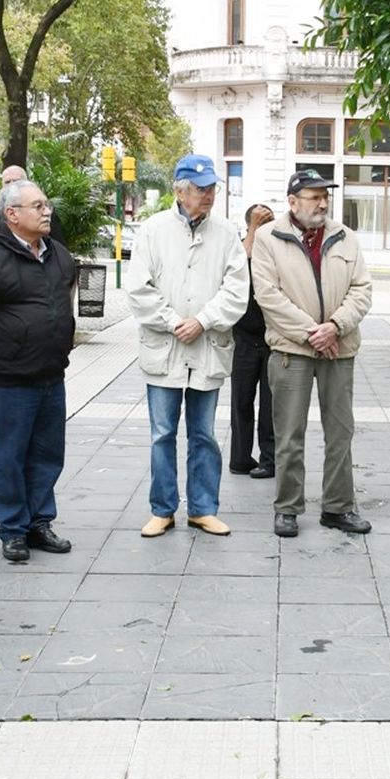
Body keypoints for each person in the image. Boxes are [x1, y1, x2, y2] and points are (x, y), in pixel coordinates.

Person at [127, 155, 249, 538]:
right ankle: (162, 508)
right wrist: (173, 321)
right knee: (162, 433)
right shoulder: (153, 230)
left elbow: (237, 289)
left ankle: (202, 508)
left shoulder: (227, 233)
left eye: (212, 188)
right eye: (200, 189)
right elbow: (138, 288)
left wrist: (204, 320)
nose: (209, 195)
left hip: (207, 345)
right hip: (165, 347)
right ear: (179, 191)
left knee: (205, 434)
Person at [252, 168, 374, 538]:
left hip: (340, 348)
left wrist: (335, 326)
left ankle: (337, 508)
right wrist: (313, 333)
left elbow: (362, 290)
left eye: (325, 196)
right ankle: (287, 508)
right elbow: (268, 296)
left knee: (341, 433)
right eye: (313, 196)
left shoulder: (346, 237)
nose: (322, 203)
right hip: (292, 351)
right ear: (292, 202)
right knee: (289, 434)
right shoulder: (267, 237)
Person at [0, 178, 77, 563]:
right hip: (11, 380)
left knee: (48, 453)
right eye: (38, 206)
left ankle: (39, 522)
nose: (47, 211)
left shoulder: (59, 255)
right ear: (11, 215)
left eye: (46, 205)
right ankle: (13, 529)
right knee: (11, 455)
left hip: (52, 375)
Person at [230, 203, 277, 479]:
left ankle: (269, 460)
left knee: (271, 405)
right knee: (242, 401)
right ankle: (239, 458)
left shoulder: (276, 249)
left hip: (272, 337)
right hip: (244, 338)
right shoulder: (240, 248)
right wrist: (253, 230)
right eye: (260, 222)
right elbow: (238, 269)